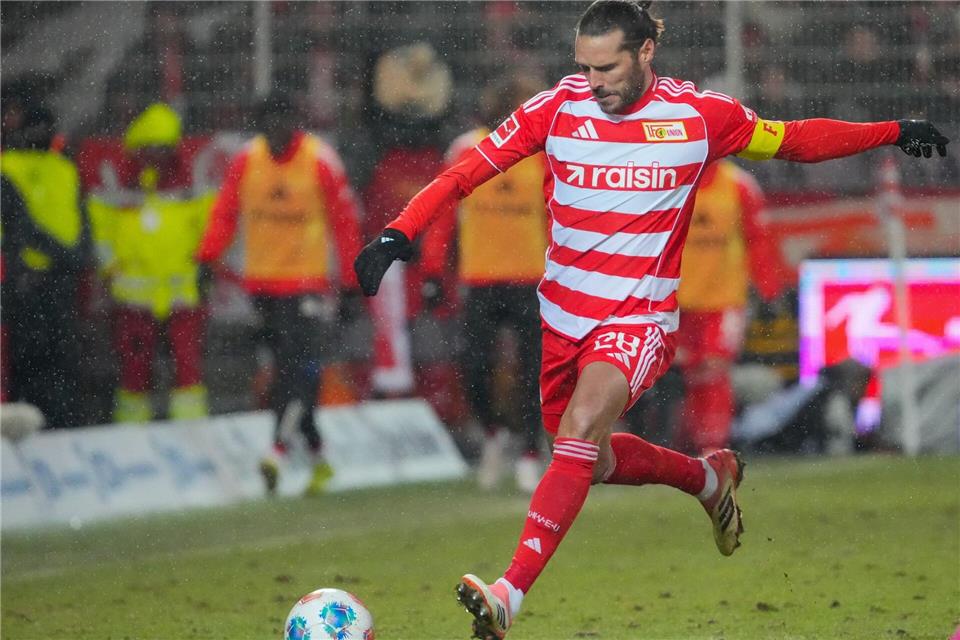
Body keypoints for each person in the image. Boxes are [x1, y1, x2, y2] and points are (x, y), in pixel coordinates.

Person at [353, 2, 951, 637]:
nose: (593, 83)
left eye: (606, 68)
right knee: (591, 458)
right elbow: (467, 173)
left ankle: (508, 593)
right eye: (583, 68)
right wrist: (397, 234)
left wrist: (890, 130)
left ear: (644, 54)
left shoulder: (699, 117)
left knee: (580, 428)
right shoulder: (557, 109)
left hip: (638, 320)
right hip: (562, 320)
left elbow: (794, 139)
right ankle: (706, 477)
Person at [197, 91, 363, 497]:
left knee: (295, 370)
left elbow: (345, 223)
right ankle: (320, 459)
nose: (277, 129)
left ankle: (276, 450)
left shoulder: (319, 160)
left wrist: (352, 283)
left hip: (306, 285)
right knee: (284, 373)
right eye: (270, 121)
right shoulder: (246, 162)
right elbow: (225, 213)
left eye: (284, 119)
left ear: (295, 122)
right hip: (263, 287)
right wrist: (206, 258)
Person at [419, 72, 550, 493]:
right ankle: (495, 435)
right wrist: (432, 270)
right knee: (475, 368)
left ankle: (530, 450)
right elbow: (441, 213)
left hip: (533, 279)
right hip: (480, 279)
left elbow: (560, 216)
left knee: (534, 372)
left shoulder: (543, 152)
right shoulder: (465, 149)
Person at [87, 103, 214, 423]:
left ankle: (192, 433)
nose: (157, 155)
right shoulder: (117, 186)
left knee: (187, 370)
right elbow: (99, 233)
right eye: (150, 148)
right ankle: (131, 438)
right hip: (134, 298)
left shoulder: (190, 184)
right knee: (134, 374)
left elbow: (211, 230)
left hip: (182, 294)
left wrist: (205, 268)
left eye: (163, 148)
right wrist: (112, 271)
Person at [671, 158, 787, 455]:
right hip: (677, 300)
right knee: (692, 373)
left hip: (723, 301)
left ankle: (713, 447)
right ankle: (692, 444)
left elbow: (759, 241)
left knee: (714, 368)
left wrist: (769, 289)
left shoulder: (738, 185)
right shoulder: (672, 181)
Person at [1, 104, 86, 429]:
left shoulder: (63, 167)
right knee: (25, 363)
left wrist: (74, 258)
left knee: (60, 361)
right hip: (20, 283)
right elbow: (20, 229)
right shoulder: (7, 168)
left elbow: (81, 215)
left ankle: (58, 426)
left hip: (55, 281)